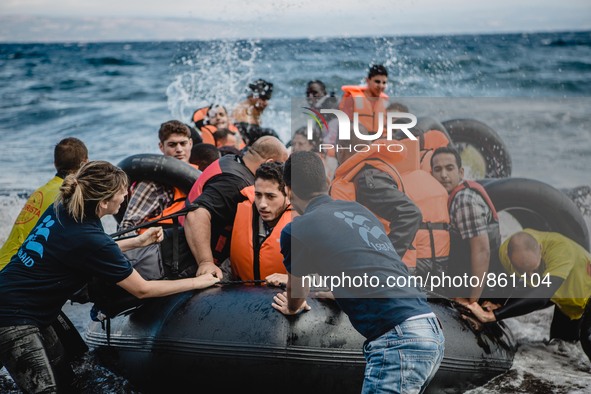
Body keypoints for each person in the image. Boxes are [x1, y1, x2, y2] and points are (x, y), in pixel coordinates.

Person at [0, 160, 219, 393]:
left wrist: (138, 242)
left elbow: (84, 249)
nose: (125, 196)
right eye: (121, 194)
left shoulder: (66, 206)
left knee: (74, 371)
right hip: (12, 316)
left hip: (22, 299)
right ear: (104, 202)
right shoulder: (89, 236)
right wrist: (198, 281)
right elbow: (142, 289)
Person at [271, 151, 444, 393]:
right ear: (328, 182)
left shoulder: (296, 230)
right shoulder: (360, 212)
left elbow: (298, 295)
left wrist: (292, 307)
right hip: (429, 327)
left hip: (397, 339)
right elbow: (376, 265)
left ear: (288, 190)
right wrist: (344, 291)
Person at [466, 229, 591, 363]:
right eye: (523, 271)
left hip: (585, 293)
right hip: (564, 300)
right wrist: (493, 307)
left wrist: (494, 314)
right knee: (561, 347)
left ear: (541, 250)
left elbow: (541, 297)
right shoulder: (506, 254)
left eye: (536, 269)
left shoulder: (560, 252)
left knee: (587, 338)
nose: (531, 276)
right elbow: (506, 286)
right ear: (509, 257)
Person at [182, 136, 288, 280]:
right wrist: (205, 262)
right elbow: (195, 214)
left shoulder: (232, 159)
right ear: (269, 163)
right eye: (280, 166)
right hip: (188, 261)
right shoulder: (234, 184)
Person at [0, 137, 88, 270]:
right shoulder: (69, 196)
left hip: (5, 263)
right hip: (18, 272)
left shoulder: (41, 191)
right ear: (84, 163)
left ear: (55, 163)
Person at [430, 146, 501, 304]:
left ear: (460, 172)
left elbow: (482, 251)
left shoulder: (464, 200)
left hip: (480, 289)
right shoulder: (453, 195)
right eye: (437, 169)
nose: (443, 175)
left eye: (449, 168)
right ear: (431, 174)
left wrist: (473, 301)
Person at [119, 120, 197, 232]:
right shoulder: (153, 184)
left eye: (183, 143)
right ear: (161, 147)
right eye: (172, 145)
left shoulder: (202, 175)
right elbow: (126, 228)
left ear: (190, 143)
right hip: (161, 247)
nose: (179, 150)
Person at [229, 162, 292, 283]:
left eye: (270, 196)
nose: (262, 204)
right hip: (244, 295)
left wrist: (294, 280)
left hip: (282, 297)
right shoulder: (240, 209)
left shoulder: (307, 223)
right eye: (258, 195)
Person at [339, 64, 389, 133]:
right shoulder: (353, 98)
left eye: (384, 83)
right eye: (377, 82)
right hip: (357, 139)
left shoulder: (385, 102)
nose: (381, 86)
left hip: (379, 140)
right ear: (367, 80)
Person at [231, 79, 280, 146]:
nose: (266, 103)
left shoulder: (255, 110)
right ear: (252, 97)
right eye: (263, 99)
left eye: (267, 100)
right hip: (244, 142)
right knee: (270, 133)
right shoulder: (242, 108)